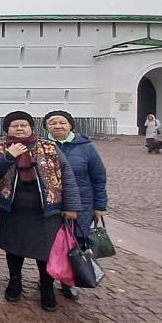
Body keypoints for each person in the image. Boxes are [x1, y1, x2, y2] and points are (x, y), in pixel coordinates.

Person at [0, 111, 82, 311]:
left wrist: (71, 206)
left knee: (45, 251)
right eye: (15, 126)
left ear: (32, 127)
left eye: (24, 125)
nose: (20, 128)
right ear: (8, 129)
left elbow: (66, 176)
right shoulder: (1, 149)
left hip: (46, 210)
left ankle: (47, 287)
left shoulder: (49, 148)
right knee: (14, 249)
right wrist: (8, 156)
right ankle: (15, 282)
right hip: (13, 209)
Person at [44, 110, 108, 300]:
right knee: (51, 244)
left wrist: (100, 205)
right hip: (51, 205)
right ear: (46, 127)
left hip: (81, 205)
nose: (57, 126)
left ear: (70, 125)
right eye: (52, 123)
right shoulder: (43, 146)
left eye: (61, 122)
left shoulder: (86, 147)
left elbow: (98, 177)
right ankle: (47, 280)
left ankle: (68, 281)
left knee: (75, 244)